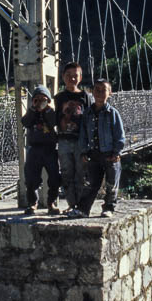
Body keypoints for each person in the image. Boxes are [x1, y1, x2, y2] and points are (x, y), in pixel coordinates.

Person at [72, 78, 125, 218]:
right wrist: (84, 151)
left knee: (111, 183)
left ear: (110, 93)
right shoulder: (87, 114)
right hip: (93, 154)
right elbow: (83, 135)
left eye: (104, 90)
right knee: (91, 183)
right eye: (97, 90)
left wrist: (117, 152)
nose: (100, 93)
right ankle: (83, 209)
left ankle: (108, 208)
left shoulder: (113, 113)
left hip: (110, 154)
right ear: (92, 92)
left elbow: (120, 135)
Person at [53, 62, 94, 212]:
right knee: (66, 173)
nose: (72, 79)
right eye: (68, 76)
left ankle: (80, 205)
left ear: (80, 77)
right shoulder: (58, 98)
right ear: (63, 77)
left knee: (81, 173)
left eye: (75, 76)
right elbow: (54, 118)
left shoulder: (86, 96)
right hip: (63, 140)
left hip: (80, 141)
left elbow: (91, 118)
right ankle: (72, 204)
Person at [20, 84, 61, 215]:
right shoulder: (31, 112)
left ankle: (51, 203)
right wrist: (33, 109)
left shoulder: (51, 112)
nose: (39, 102)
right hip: (35, 149)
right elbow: (25, 122)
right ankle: (32, 203)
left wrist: (47, 108)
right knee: (31, 178)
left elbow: (55, 121)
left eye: (43, 99)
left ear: (48, 100)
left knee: (55, 177)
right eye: (36, 99)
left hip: (50, 149)